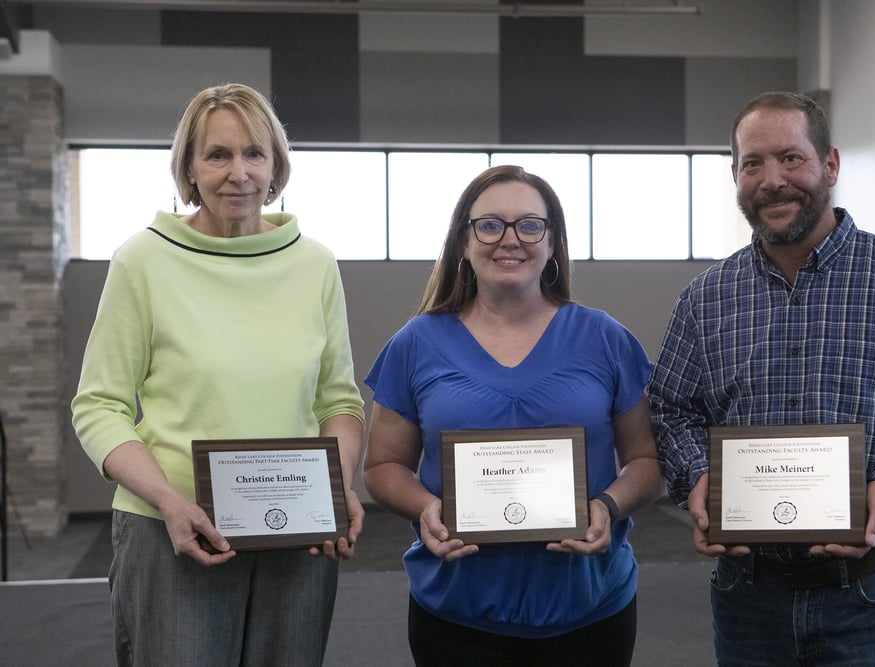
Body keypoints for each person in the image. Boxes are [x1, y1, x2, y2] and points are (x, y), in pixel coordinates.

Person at [648, 91, 875, 665]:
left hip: (869, 591)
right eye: (752, 164)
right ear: (735, 174)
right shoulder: (705, 300)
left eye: (791, 157)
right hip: (746, 594)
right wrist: (696, 480)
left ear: (830, 164)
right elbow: (671, 411)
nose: (772, 180)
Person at [71, 83, 366, 666]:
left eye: (254, 153)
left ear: (277, 165)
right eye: (218, 155)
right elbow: (98, 407)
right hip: (171, 531)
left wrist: (337, 488)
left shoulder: (315, 263)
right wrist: (168, 503)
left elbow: (339, 399)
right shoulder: (143, 259)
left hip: (297, 535)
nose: (239, 173)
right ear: (188, 169)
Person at [363, 164, 664, 666]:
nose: (510, 240)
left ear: (551, 243)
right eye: (489, 224)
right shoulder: (416, 342)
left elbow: (647, 459)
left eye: (530, 225)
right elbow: (381, 467)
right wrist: (425, 508)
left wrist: (608, 507)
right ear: (463, 241)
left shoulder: (605, 337)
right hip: (456, 611)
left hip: (590, 610)